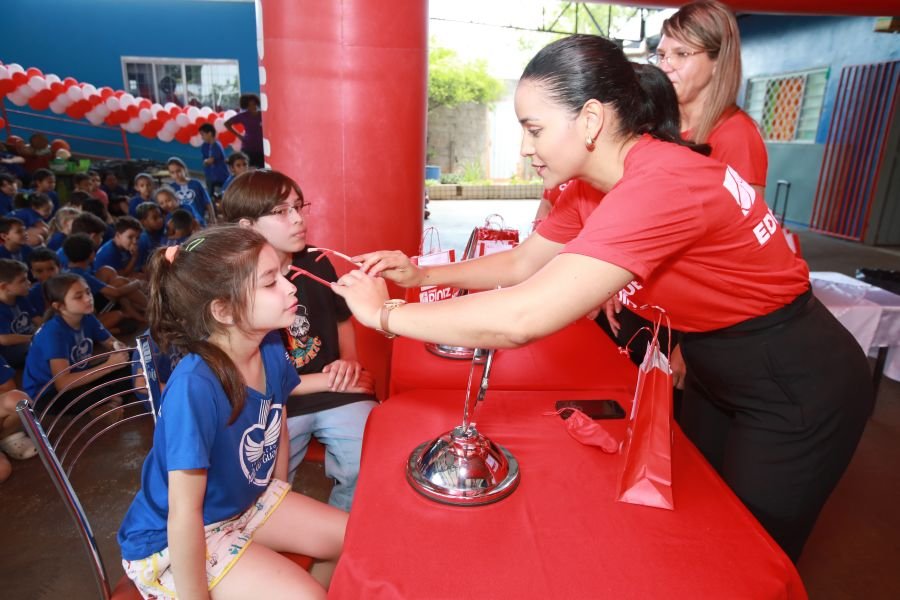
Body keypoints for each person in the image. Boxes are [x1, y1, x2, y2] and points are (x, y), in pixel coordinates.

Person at [333, 34, 873, 563]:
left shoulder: (662, 184)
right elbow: (524, 265)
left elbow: (524, 314)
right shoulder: (594, 185)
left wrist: (386, 314)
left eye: (534, 129)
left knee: (747, 552)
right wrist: (421, 272)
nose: (524, 147)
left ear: (590, 120)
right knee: (701, 523)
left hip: (791, 374)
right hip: (713, 360)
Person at [117, 226, 346, 598]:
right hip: (172, 539)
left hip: (244, 504)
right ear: (222, 310)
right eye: (270, 282)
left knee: (354, 539)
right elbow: (183, 513)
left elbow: (277, 419)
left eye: (283, 276)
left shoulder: (269, 341)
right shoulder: (195, 386)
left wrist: (279, 490)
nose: (290, 288)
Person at [222, 169, 376, 511]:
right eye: (280, 211)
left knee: (372, 460)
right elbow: (246, 380)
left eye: (298, 207)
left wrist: (349, 362)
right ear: (246, 227)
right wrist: (328, 381)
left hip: (338, 394)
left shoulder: (317, 262)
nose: (298, 220)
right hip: (276, 404)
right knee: (260, 489)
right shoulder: (232, 287)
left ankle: (340, 533)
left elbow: (342, 318)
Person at [22, 272, 130, 417]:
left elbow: (111, 342)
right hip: (48, 393)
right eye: (78, 297)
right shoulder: (53, 332)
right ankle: (104, 403)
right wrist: (108, 366)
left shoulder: (87, 317)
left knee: (131, 360)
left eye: (88, 292)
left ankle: (107, 402)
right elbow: (62, 383)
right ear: (59, 306)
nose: (88, 298)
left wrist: (119, 349)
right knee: (90, 393)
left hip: (77, 378)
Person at [0, 258, 38, 368]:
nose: (29, 283)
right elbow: (4, 339)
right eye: (23, 280)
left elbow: (36, 318)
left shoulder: (21, 298)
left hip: (28, 340)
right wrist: (33, 338)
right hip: (10, 352)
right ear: (4, 286)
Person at [225, 94, 264, 168]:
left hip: (261, 148)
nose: (253, 107)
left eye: (254, 104)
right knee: (248, 170)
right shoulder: (243, 116)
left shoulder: (262, 114)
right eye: (249, 105)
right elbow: (227, 123)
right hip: (248, 147)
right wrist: (239, 135)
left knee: (262, 170)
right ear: (246, 106)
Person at [27, 247, 61, 317]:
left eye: (51, 269)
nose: (47, 275)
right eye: (39, 271)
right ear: (33, 273)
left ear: (59, 268)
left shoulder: (70, 289)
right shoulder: (31, 295)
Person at [199, 123, 230, 197]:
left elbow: (210, 161)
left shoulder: (216, 145)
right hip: (210, 176)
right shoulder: (205, 146)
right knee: (210, 195)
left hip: (221, 177)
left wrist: (206, 162)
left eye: (203, 134)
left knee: (221, 195)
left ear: (209, 133)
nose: (202, 137)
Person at [135, 202, 167, 271]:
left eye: (160, 216)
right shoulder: (142, 239)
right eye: (155, 218)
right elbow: (142, 266)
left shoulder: (161, 230)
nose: (160, 220)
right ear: (143, 221)